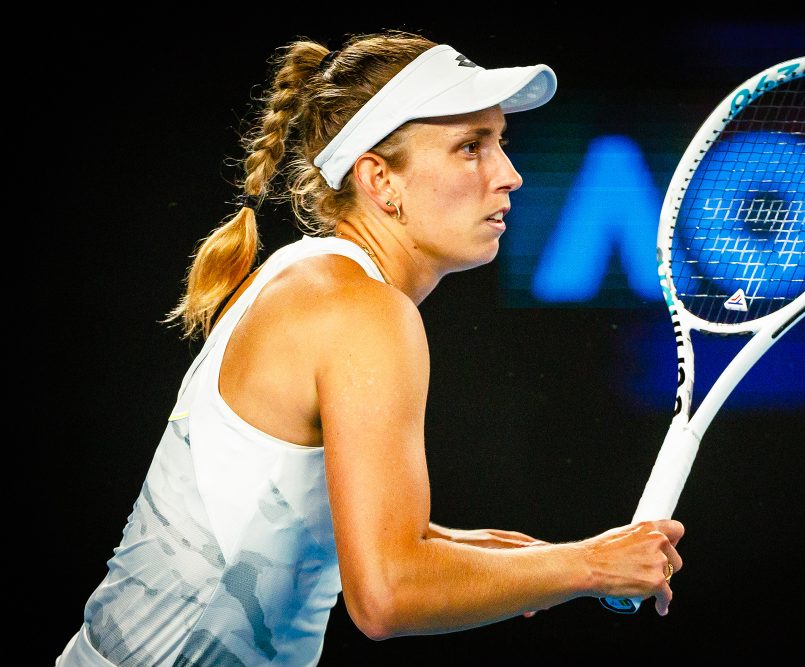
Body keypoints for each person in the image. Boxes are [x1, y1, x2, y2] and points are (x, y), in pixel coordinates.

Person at [56, 30, 685, 666]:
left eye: (500, 144)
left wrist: (492, 557)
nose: (511, 177)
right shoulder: (361, 311)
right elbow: (387, 595)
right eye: (471, 148)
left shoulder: (308, 272)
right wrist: (587, 566)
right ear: (380, 180)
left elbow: (280, 515)